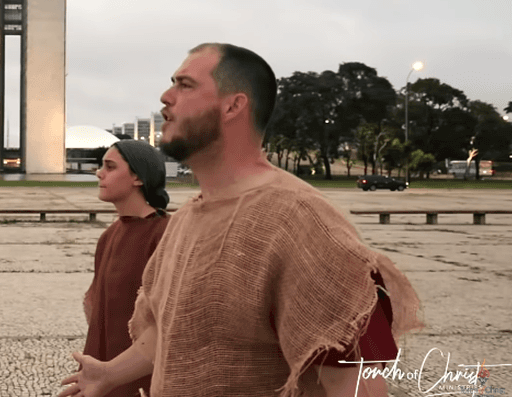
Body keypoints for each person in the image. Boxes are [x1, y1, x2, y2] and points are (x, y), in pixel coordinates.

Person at [59, 44, 423, 397]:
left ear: (233, 105)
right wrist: (110, 374)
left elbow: (358, 379)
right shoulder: (185, 220)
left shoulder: (305, 221)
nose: (166, 97)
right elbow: (169, 329)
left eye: (185, 85)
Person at [82, 140, 171, 397]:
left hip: (142, 379)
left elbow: (171, 319)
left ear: (138, 177)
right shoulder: (109, 235)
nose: (99, 173)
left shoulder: (165, 234)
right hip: (101, 373)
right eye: (102, 166)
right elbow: (93, 303)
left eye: (110, 167)